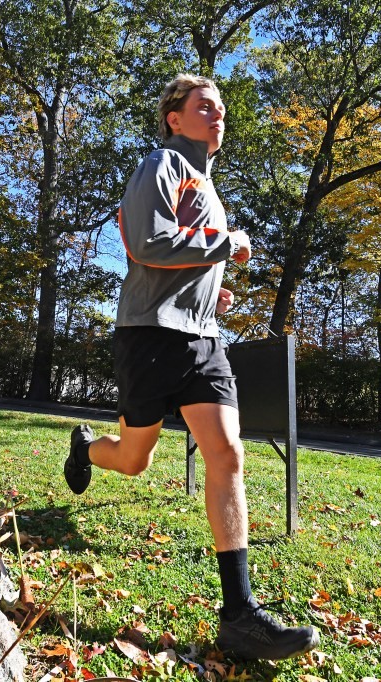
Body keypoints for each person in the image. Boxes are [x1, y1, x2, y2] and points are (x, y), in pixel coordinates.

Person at [63, 74, 319, 661]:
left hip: (203, 339)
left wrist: (213, 295)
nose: (218, 115)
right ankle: (85, 447)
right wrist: (226, 245)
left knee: (227, 453)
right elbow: (147, 245)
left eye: (222, 109)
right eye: (205, 106)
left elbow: (186, 262)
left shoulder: (207, 184)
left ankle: (240, 614)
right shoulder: (162, 165)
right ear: (174, 118)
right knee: (134, 461)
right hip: (149, 336)